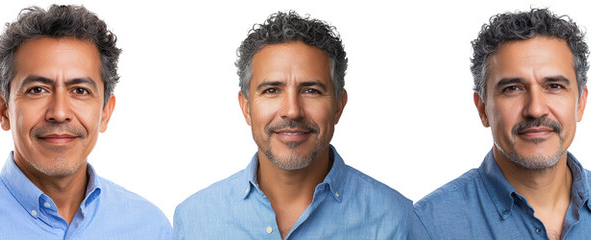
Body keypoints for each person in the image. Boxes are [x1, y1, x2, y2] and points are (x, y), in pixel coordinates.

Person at [173, 11, 423, 239]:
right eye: (272, 90)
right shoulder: (193, 221)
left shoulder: (397, 220)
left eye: (311, 90)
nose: (292, 110)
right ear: (246, 107)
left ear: (338, 105)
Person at [0, 4, 172, 239]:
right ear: (3, 110)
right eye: (37, 90)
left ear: (105, 113)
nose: (59, 113)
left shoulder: (151, 228)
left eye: (79, 90)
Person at [414, 8, 591, 239]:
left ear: (580, 103)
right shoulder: (428, 227)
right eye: (513, 88)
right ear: (482, 109)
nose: (535, 108)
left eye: (554, 86)